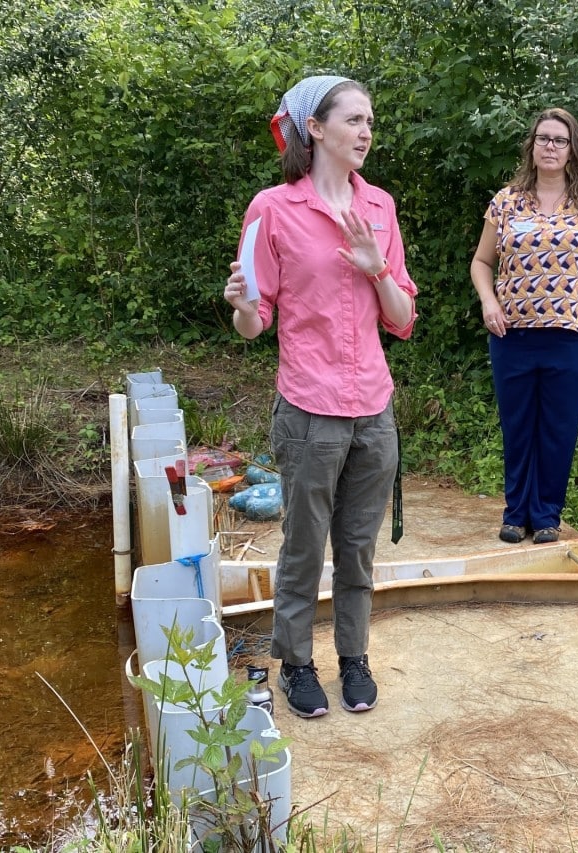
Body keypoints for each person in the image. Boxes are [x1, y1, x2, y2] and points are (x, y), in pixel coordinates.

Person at [224, 75, 417, 718]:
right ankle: (296, 663)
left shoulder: (381, 207)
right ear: (315, 128)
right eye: (354, 120)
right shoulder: (272, 209)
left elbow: (402, 320)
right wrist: (242, 305)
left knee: (358, 548)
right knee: (304, 547)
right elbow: (254, 324)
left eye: (370, 121)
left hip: (374, 410)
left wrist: (375, 266)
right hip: (308, 408)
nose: (366, 132)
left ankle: (353, 658)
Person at [470, 107, 578, 546]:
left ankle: (546, 516)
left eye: (560, 140)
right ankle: (515, 513)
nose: (551, 147)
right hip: (513, 334)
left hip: (573, 335)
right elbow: (481, 261)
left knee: (558, 429)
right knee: (518, 426)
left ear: (573, 149)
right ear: (532, 145)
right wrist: (488, 301)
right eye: (543, 138)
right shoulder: (506, 201)